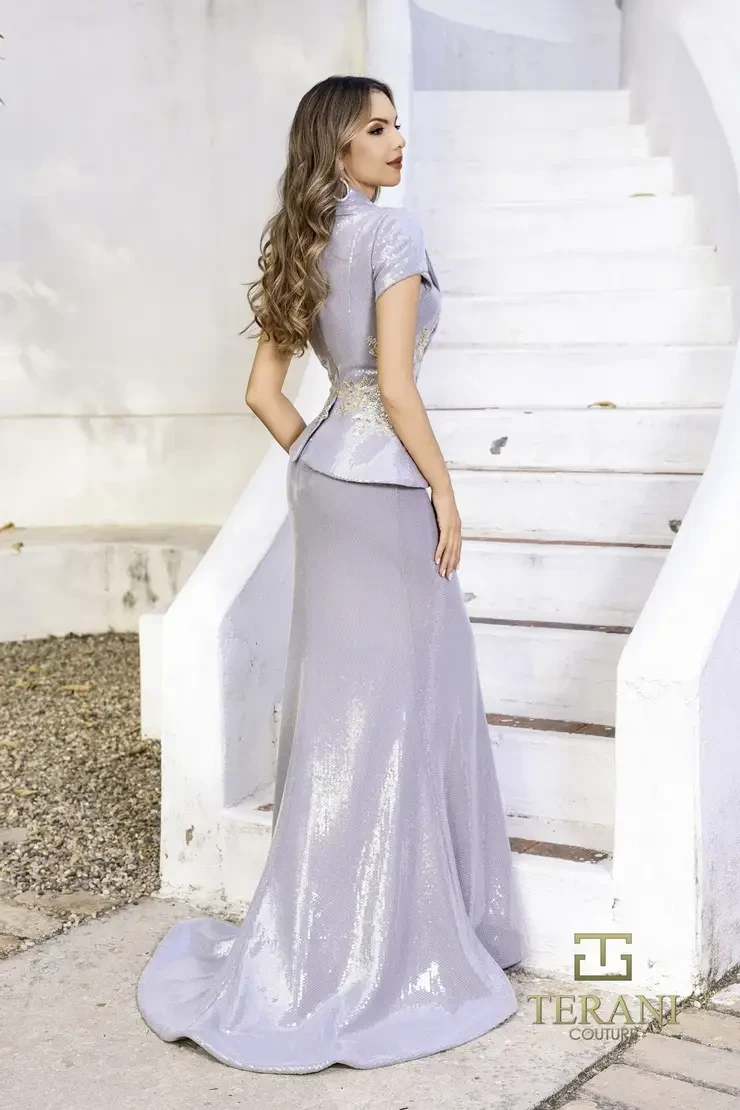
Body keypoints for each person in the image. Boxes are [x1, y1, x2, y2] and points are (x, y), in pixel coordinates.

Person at [136, 73, 521, 1073]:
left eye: (397, 124)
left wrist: (319, 449)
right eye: (375, 128)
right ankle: (392, 946)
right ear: (337, 148)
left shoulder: (301, 241)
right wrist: (444, 492)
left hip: (326, 483)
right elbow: (393, 388)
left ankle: (315, 935)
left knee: (344, 712)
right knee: (396, 708)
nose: (398, 140)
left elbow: (263, 393)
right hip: (388, 491)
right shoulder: (392, 235)